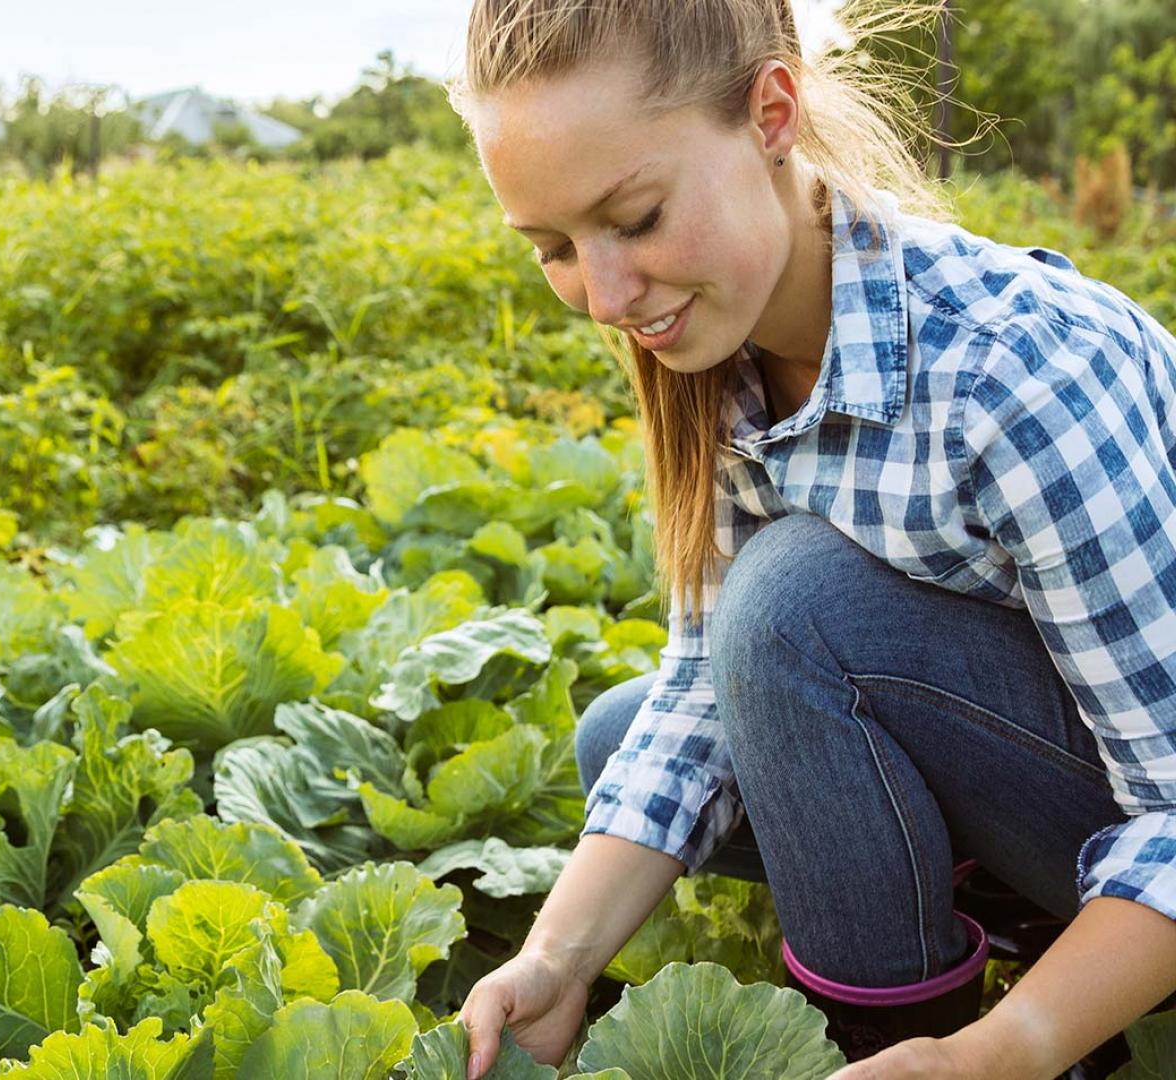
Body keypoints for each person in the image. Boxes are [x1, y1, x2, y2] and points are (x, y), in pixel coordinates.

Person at [444, 1, 1176, 1078]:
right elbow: (701, 684)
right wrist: (556, 957)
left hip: (1150, 801)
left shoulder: (1014, 371)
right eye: (554, 246)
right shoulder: (712, 348)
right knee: (626, 734)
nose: (604, 295)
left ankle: (922, 1043)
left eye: (636, 217)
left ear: (772, 114)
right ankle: (1002, 958)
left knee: (793, 604)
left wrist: (999, 1056)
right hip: (1043, 784)